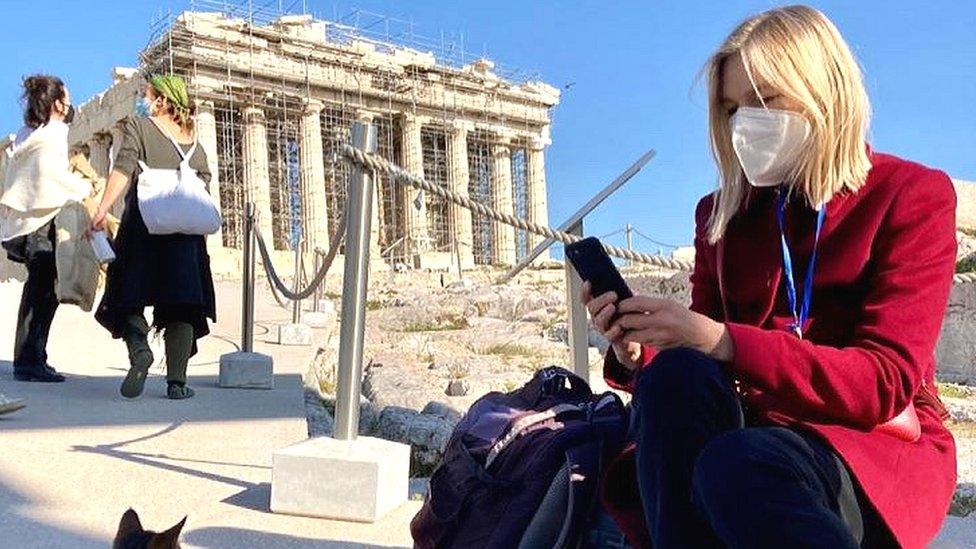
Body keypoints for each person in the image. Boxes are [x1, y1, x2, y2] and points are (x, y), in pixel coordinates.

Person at [583, 6, 955, 549]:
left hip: (863, 444)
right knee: (675, 379)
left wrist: (721, 340)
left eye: (765, 101)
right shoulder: (722, 214)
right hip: (747, 431)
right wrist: (639, 351)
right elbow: (702, 355)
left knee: (737, 464)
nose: (743, 125)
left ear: (822, 92)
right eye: (731, 108)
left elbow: (884, 381)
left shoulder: (909, 196)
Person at [91, 75, 215, 401]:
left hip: (143, 226)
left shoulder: (139, 126)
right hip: (185, 237)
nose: (144, 101)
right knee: (183, 304)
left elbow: (123, 167)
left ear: (160, 100)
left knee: (126, 292)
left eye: (148, 95)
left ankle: (139, 349)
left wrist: (102, 209)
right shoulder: (194, 143)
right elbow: (203, 186)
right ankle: (177, 383)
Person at [0, 75, 89, 382]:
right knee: (43, 293)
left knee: (38, 291)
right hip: (42, 223)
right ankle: (29, 362)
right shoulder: (54, 133)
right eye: (67, 98)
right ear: (57, 104)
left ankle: (35, 357)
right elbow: (51, 176)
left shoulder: (26, 134)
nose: (70, 104)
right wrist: (85, 188)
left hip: (22, 224)